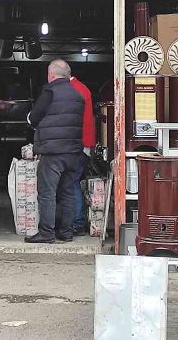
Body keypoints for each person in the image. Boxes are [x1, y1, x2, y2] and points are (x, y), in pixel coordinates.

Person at [25, 60, 84, 244]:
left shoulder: (49, 92)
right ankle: (66, 232)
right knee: (67, 192)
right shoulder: (78, 95)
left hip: (53, 152)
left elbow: (34, 117)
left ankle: (46, 233)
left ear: (51, 75)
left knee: (47, 192)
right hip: (73, 151)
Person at [69, 75, 95, 236]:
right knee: (73, 182)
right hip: (84, 143)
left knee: (72, 183)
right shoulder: (81, 87)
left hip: (77, 143)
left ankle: (77, 222)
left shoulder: (73, 90)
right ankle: (75, 220)